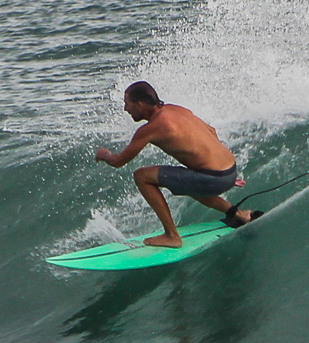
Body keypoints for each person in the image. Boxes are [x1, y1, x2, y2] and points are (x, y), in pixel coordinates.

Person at [95, 81, 260, 247]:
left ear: (140, 104)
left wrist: (105, 155)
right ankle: (239, 215)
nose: (125, 109)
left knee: (141, 176)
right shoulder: (176, 110)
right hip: (229, 170)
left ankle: (172, 236)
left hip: (214, 178)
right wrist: (222, 171)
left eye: (127, 104)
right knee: (190, 182)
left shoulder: (151, 128)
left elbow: (118, 162)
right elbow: (211, 131)